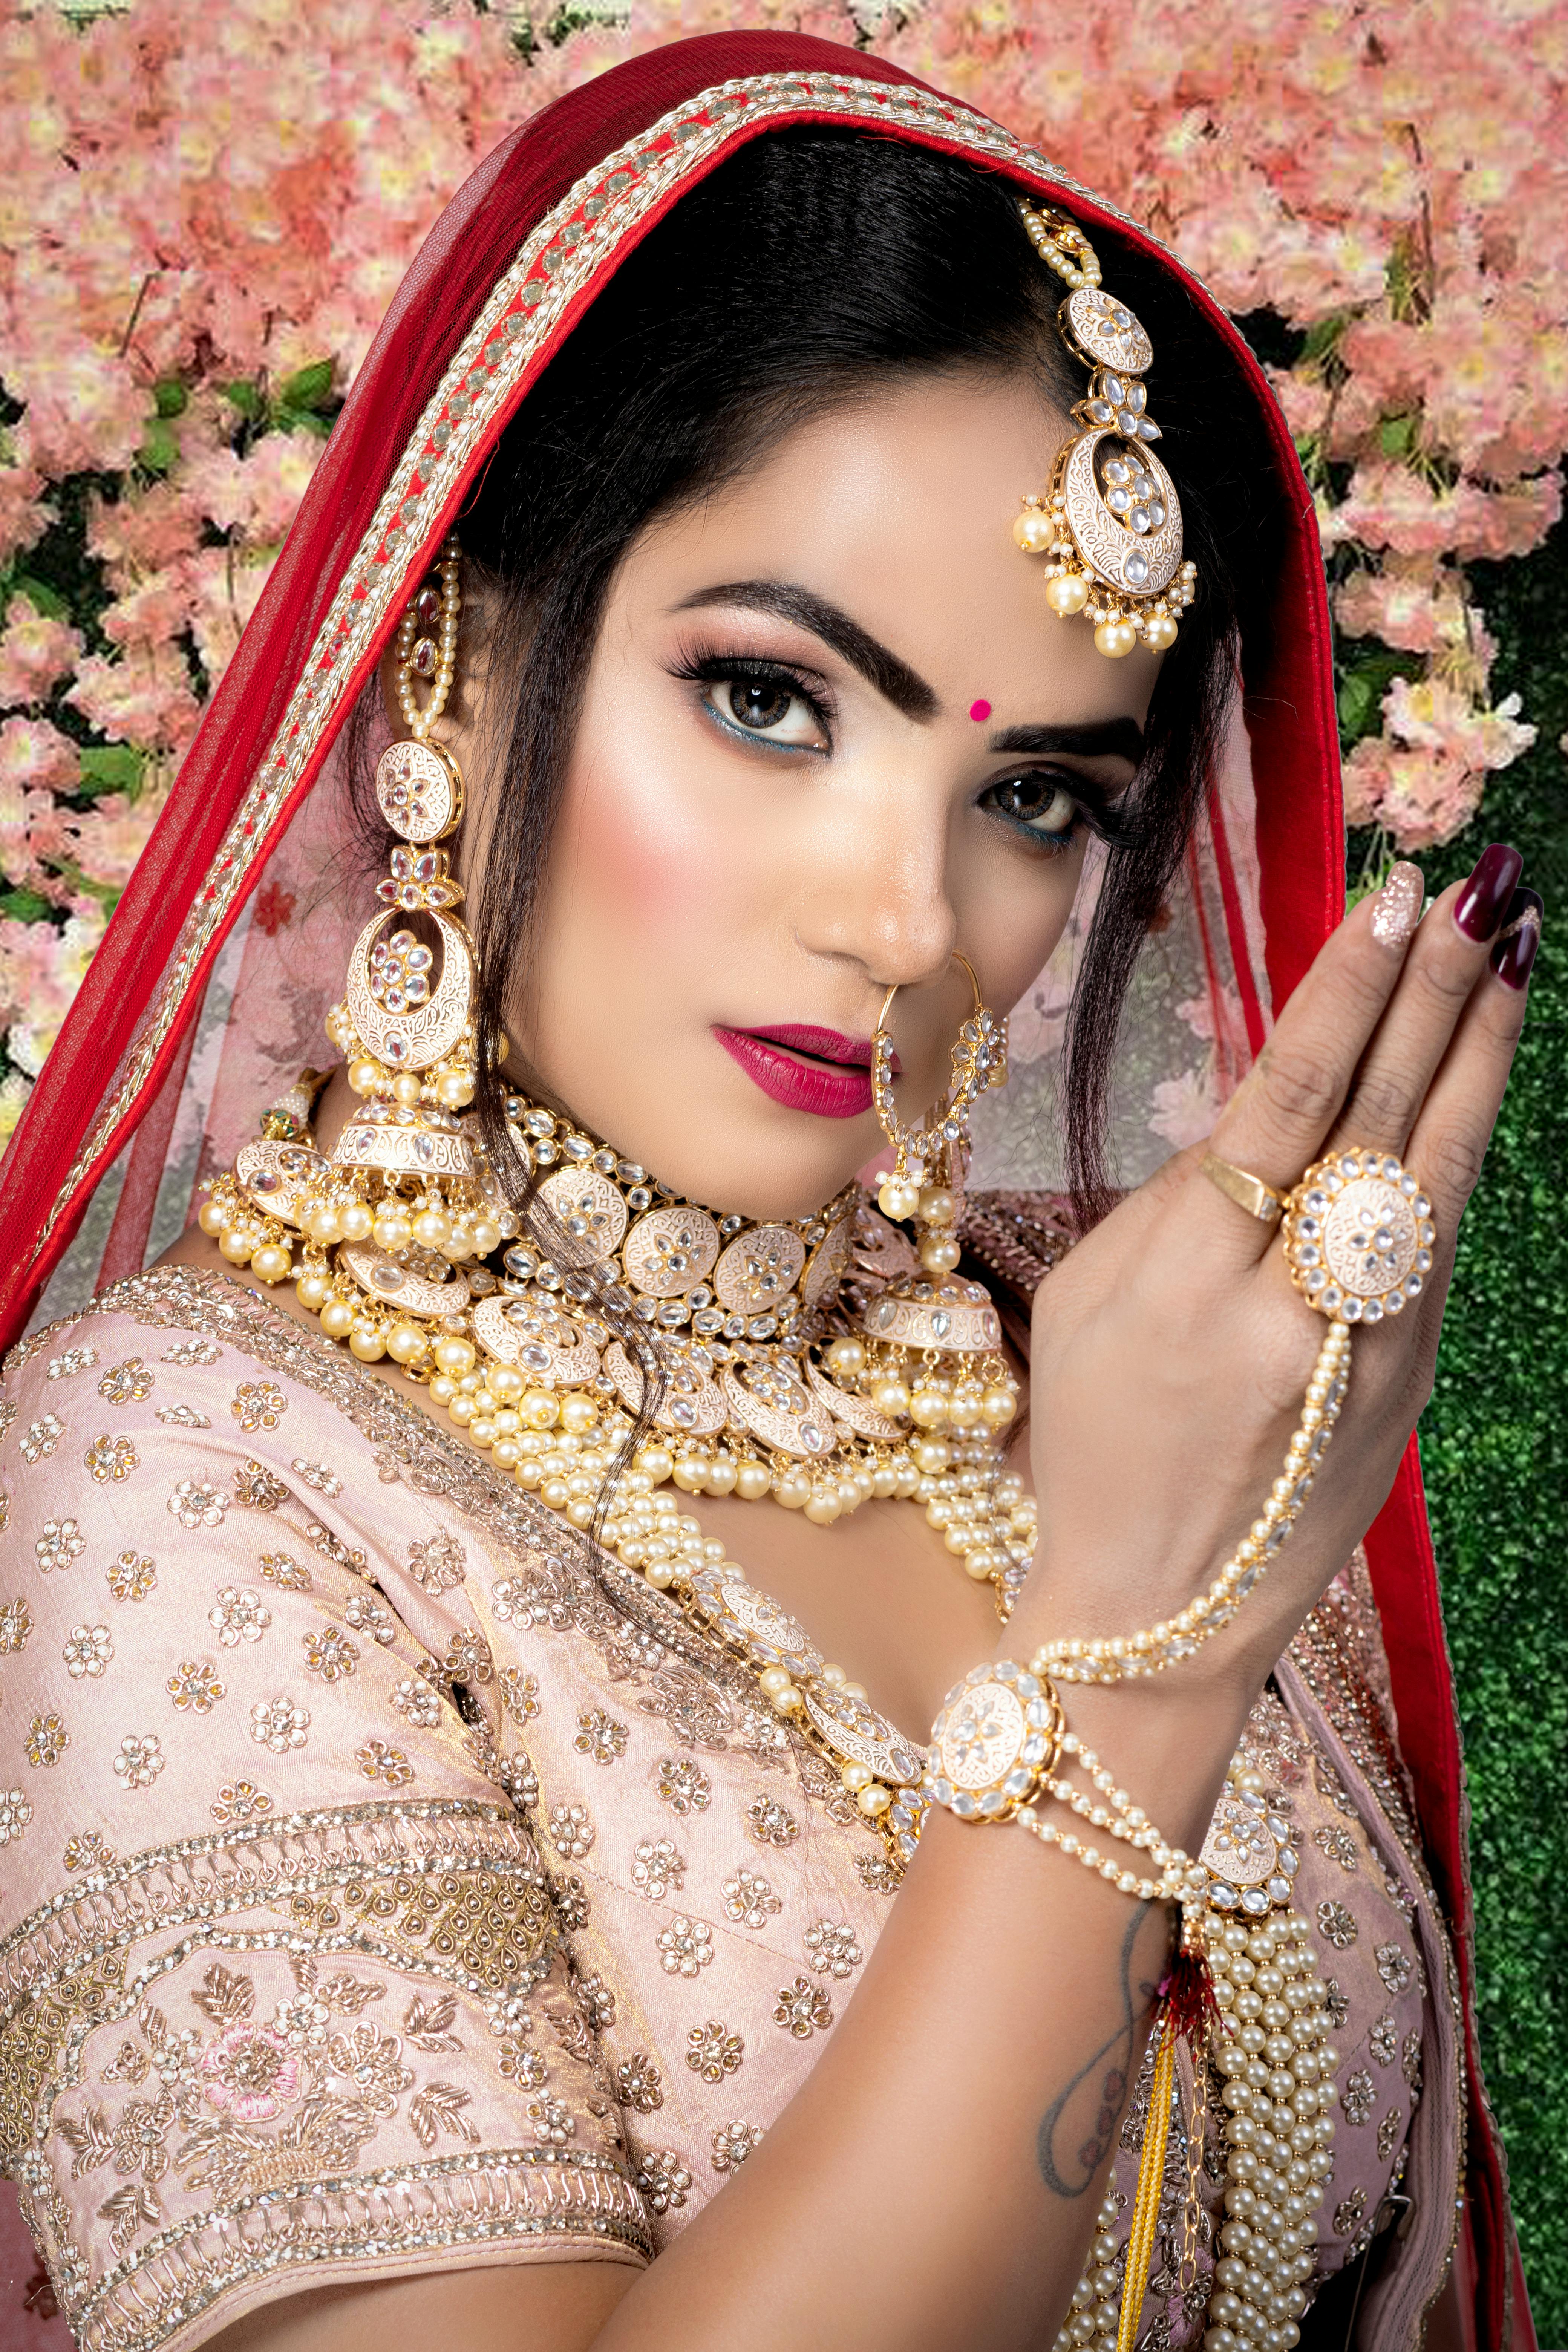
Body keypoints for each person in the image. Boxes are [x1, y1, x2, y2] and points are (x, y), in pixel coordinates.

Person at [0, 32, 1540, 2352]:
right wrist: (1146, 1644)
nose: (911, 925)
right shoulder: (178, 1473)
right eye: (771, 702)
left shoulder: (1111, 1346)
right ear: (465, 645)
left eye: (1041, 797)